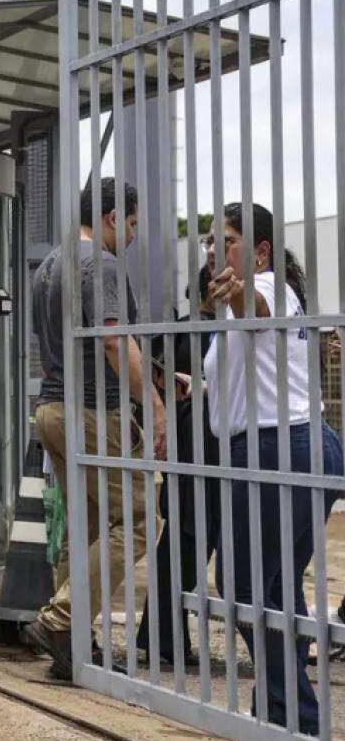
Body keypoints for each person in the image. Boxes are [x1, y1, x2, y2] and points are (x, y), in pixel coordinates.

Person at [203, 202, 342, 735]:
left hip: (276, 450)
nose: (216, 250)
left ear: (261, 251)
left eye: (229, 240)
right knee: (277, 587)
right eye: (211, 242)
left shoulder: (271, 289)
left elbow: (255, 307)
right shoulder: (263, 301)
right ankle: (283, 714)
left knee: (240, 584)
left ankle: (292, 716)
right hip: (298, 445)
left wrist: (238, 290)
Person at [22, 177, 162, 681]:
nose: (130, 236)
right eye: (129, 224)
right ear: (108, 219)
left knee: (83, 527)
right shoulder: (98, 263)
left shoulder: (51, 266)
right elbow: (110, 340)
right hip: (93, 411)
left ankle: (74, 643)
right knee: (144, 520)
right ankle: (61, 621)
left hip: (54, 408)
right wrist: (155, 404)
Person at [135, 266, 221, 667]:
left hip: (181, 444)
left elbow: (150, 381)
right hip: (212, 448)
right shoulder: (219, 332)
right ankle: (163, 637)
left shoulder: (175, 332)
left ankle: (160, 636)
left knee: (181, 542)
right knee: (193, 543)